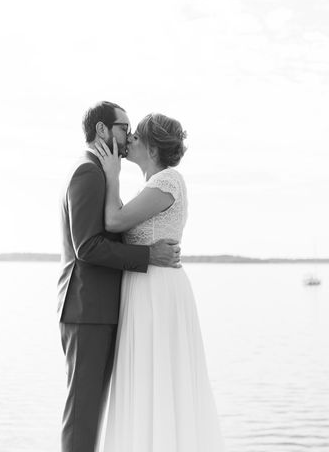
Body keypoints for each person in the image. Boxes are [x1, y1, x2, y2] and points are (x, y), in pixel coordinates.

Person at [91, 113, 225, 452]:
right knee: (145, 381)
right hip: (142, 289)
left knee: (163, 379)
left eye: (137, 135)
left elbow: (114, 220)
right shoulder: (151, 186)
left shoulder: (168, 181)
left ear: (152, 147)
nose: (130, 139)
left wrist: (111, 176)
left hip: (159, 292)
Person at [57, 101, 182, 452]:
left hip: (101, 310)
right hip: (88, 310)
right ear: (102, 130)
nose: (128, 136)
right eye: (124, 127)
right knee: (83, 415)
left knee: (92, 412)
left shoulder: (100, 173)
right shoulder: (89, 172)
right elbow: (88, 247)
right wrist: (149, 254)